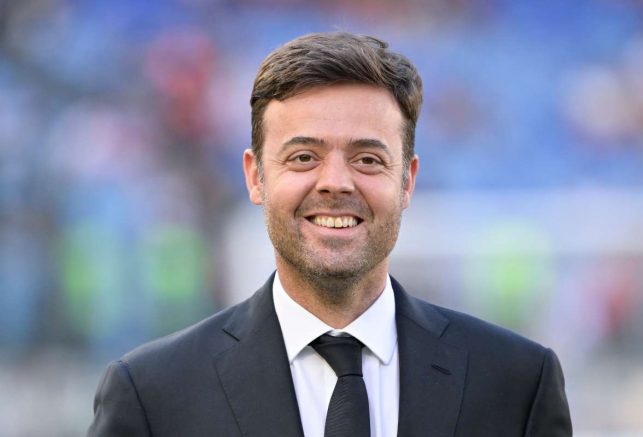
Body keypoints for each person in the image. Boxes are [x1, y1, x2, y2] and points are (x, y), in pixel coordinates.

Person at [88, 32, 572, 437]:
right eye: (304, 157)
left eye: (368, 159)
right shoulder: (152, 394)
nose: (336, 182)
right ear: (256, 177)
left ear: (407, 181)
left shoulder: (517, 383)